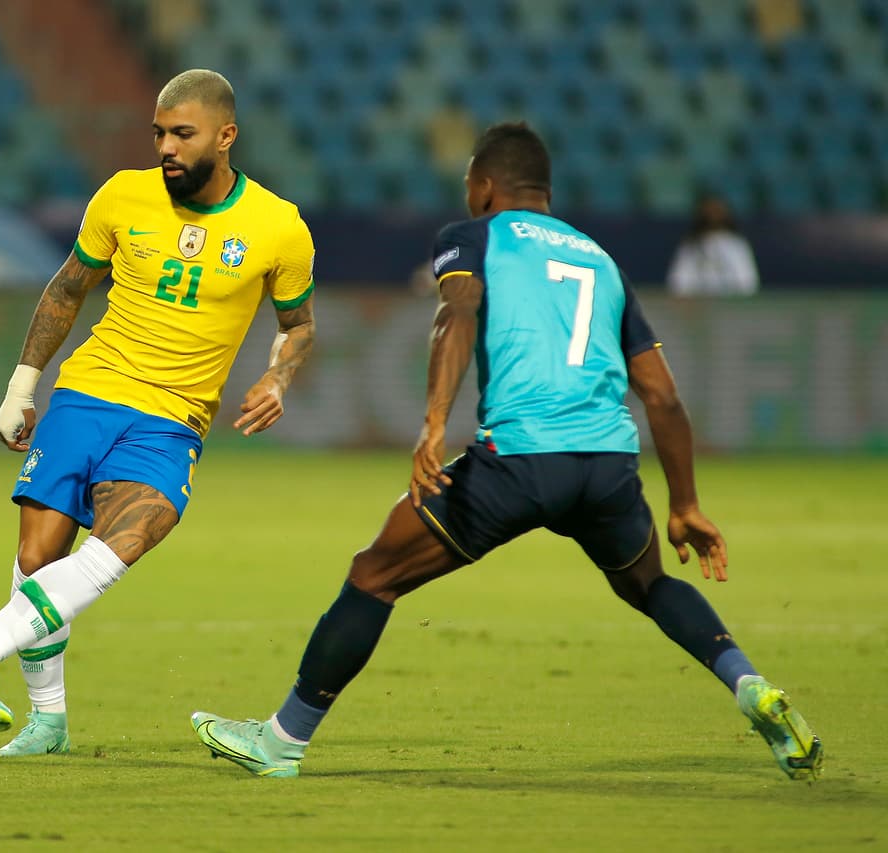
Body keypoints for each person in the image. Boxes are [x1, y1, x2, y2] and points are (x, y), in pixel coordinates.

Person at [191, 122, 821, 781]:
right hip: (607, 464)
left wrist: (433, 422)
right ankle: (748, 682)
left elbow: (455, 315)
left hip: (519, 459)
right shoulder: (600, 260)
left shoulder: (474, 237)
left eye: (469, 182)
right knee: (650, 582)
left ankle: (281, 740)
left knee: (376, 572)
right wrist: (686, 502)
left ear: (485, 186)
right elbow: (662, 396)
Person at [0, 68, 317, 756]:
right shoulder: (123, 195)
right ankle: (48, 722)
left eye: (182, 134)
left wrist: (279, 376)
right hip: (89, 392)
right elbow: (68, 287)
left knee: (128, 539)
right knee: (38, 557)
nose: (166, 146)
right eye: (159, 132)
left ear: (225, 137)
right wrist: (22, 386)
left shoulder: (278, 226)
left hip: (171, 420)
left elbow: (299, 324)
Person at [666, 193, 760, 296]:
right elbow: (678, 282)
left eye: (717, 210)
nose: (713, 215)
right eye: (709, 211)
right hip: (697, 306)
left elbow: (748, 283)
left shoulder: (737, 245)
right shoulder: (690, 245)